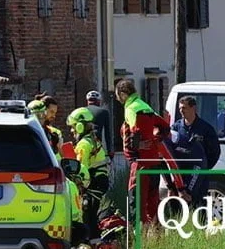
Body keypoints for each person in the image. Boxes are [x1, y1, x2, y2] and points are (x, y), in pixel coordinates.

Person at [114, 78, 185, 224]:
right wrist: (155, 139)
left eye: (117, 95)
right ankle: (156, 240)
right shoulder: (146, 106)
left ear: (122, 94)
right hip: (154, 165)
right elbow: (165, 127)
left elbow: (134, 131)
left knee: (137, 205)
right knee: (153, 205)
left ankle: (140, 241)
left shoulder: (131, 108)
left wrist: (137, 144)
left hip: (140, 165)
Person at [67, 107, 112, 240]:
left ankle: (91, 246)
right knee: (92, 215)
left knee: (88, 216)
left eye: (73, 126)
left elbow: (80, 169)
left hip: (94, 183)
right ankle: (95, 244)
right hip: (100, 181)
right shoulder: (93, 139)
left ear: (80, 126)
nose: (71, 130)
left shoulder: (83, 145)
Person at [171, 94, 221, 201]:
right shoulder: (176, 127)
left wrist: (204, 167)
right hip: (181, 175)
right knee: (178, 206)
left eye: (184, 108)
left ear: (193, 108)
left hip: (199, 175)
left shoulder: (205, 128)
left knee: (198, 205)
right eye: (180, 108)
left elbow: (215, 152)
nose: (181, 111)